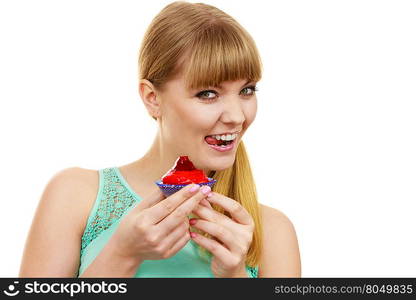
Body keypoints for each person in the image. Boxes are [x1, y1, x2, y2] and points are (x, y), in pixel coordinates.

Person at [19, 1, 301, 278]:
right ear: (152, 98)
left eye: (247, 90)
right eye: (208, 93)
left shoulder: (274, 232)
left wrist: (234, 277)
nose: (237, 116)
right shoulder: (75, 195)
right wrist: (122, 255)